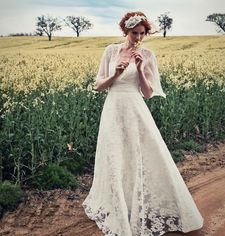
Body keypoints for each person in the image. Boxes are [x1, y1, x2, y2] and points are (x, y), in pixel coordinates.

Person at [82, 11, 204, 236]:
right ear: (125, 31)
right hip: (113, 108)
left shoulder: (148, 54)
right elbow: (99, 85)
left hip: (135, 108)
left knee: (139, 153)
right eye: (134, 33)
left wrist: (139, 69)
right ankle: (118, 203)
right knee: (114, 154)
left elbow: (148, 94)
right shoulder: (111, 51)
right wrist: (115, 75)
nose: (138, 38)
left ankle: (141, 203)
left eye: (142, 33)